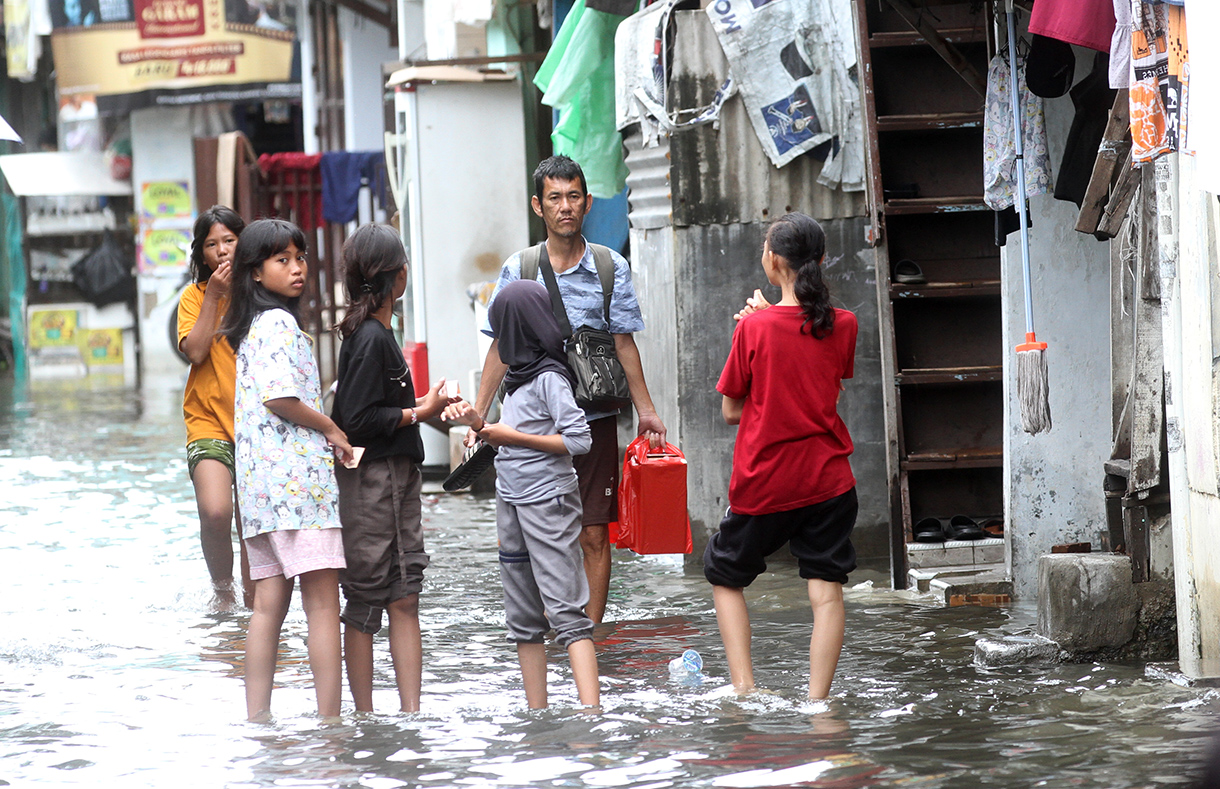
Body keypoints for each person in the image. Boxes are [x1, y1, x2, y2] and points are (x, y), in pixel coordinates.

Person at [467, 155, 666, 624]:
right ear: (538, 206)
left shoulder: (609, 266)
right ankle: (546, 628)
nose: (565, 207)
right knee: (533, 530)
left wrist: (648, 411)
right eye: (555, 198)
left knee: (594, 533)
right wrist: (479, 417)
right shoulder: (521, 268)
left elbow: (624, 344)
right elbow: (499, 347)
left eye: (574, 196)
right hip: (532, 426)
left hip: (592, 421)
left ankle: (588, 638)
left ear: (588, 202)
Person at [705, 213, 859, 700]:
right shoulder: (846, 323)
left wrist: (755, 325)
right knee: (826, 590)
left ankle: (745, 689)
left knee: (724, 575)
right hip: (829, 479)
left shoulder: (753, 329)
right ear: (820, 260)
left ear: (772, 260)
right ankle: (817, 702)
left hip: (766, 480)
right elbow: (817, 367)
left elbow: (732, 411)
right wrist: (764, 321)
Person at [219, 218, 353, 721]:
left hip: (260, 495)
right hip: (299, 490)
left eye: (300, 258)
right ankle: (331, 725)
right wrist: (333, 429)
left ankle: (258, 722)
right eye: (283, 260)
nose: (297, 269)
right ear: (255, 273)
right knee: (322, 607)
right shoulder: (279, 324)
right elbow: (281, 399)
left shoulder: (249, 329)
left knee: (266, 610)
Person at [444, 280, 599, 710]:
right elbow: (513, 432)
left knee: (567, 612)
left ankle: (593, 714)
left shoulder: (550, 377)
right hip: (511, 498)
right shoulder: (518, 378)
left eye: (501, 330)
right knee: (522, 618)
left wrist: (510, 436)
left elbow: (578, 439)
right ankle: (537, 713)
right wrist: (478, 422)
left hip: (547, 499)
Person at [331, 224, 452, 713]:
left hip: (395, 481)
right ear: (397, 278)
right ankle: (364, 715)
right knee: (364, 601)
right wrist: (419, 413)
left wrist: (424, 404)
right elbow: (355, 419)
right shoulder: (370, 339)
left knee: (404, 597)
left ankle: (410, 715)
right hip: (374, 484)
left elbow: (371, 406)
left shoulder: (377, 334)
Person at [178, 205, 252, 610]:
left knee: (251, 523)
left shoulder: (262, 293)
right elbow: (196, 351)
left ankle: (254, 604)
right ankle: (222, 591)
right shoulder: (194, 297)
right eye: (212, 244)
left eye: (229, 241)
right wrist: (216, 296)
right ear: (201, 255)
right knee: (216, 511)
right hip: (207, 421)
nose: (222, 251)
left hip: (257, 423)